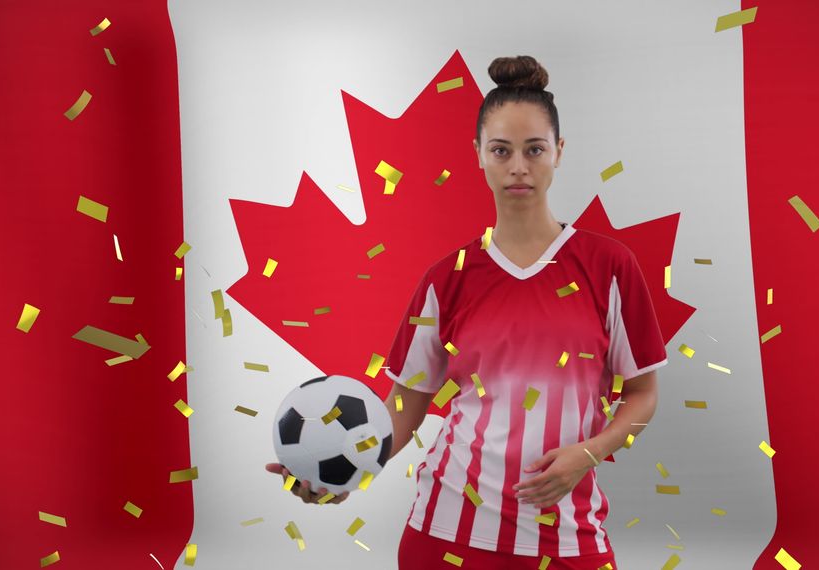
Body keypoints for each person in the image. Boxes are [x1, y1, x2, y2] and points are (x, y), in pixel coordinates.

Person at [267, 55, 667, 570]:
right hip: (445, 532)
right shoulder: (446, 279)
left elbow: (643, 396)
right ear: (478, 154)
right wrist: (346, 470)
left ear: (559, 153)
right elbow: (406, 406)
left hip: (564, 535)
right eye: (501, 150)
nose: (518, 166)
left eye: (534, 149)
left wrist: (588, 453)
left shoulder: (609, 266)